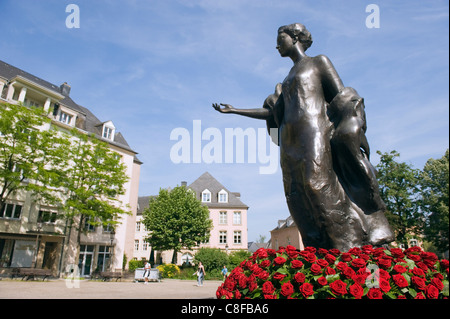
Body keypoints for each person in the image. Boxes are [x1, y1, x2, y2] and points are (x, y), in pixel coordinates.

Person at [213, 23, 394, 251]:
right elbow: (272, 113)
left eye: (281, 38)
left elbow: (343, 96)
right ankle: (316, 248)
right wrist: (235, 110)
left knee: (316, 183)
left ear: (295, 37)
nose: (277, 45)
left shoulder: (319, 62)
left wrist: (351, 126)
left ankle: (348, 245)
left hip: (314, 132)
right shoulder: (286, 79)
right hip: (290, 140)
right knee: (296, 192)